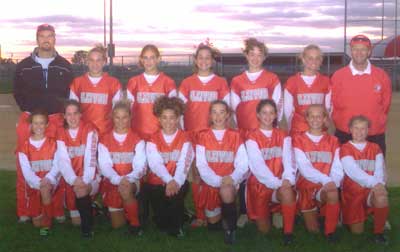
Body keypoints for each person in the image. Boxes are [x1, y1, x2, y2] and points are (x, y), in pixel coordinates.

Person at [13, 23, 73, 222]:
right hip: (30, 118)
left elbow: (68, 94)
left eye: (50, 36)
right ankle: (25, 209)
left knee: (57, 164)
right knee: (25, 165)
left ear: (55, 39)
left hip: (55, 118)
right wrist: (28, 110)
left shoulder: (64, 65)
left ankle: (56, 209)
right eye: (42, 36)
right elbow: (17, 91)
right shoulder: (23, 65)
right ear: (37, 39)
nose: (46, 40)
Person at [230, 38, 282, 227]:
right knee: (245, 172)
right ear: (246, 55)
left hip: (266, 133)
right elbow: (235, 110)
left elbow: (278, 107)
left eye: (259, 55)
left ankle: (275, 209)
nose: (255, 58)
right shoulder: (237, 81)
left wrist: (270, 129)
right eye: (251, 54)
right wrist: (242, 131)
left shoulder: (272, 78)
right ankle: (244, 210)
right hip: (245, 133)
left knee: (271, 168)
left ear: (265, 57)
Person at [178, 43, 230, 227]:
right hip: (194, 136)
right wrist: (184, 134)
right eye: (201, 57)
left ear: (212, 61)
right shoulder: (187, 83)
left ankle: (216, 209)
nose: (204, 61)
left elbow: (226, 110)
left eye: (208, 57)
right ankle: (200, 215)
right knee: (197, 175)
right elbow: (180, 111)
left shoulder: (221, 82)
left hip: (214, 136)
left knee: (215, 172)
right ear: (195, 60)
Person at [196, 100, 249, 244]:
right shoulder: (202, 135)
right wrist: (217, 181)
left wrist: (232, 178)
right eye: (214, 112)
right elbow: (201, 164)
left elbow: (243, 163)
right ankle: (225, 213)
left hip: (229, 181)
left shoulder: (235, 135)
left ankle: (230, 230)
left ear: (227, 115)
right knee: (213, 226)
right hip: (211, 182)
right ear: (209, 115)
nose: (218, 116)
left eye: (222, 112)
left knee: (226, 191)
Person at [245, 99, 296, 245]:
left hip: (280, 183)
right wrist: (278, 183)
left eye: (271, 113)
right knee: (264, 231)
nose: (268, 116)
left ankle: (288, 234)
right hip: (259, 185)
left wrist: (287, 179)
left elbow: (289, 160)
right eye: (264, 113)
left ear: (276, 115)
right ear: (258, 115)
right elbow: (258, 167)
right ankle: (271, 213)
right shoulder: (251, 136)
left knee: (287, 192)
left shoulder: (283, 135)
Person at [331, 34, 392, 155]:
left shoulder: (381, 76)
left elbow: (385, 105)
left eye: (363, 49)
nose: (359, 53)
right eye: (355, 49)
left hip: (374, 134)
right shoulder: (338, 76)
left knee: (374, 172)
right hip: (345, 134)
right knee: (342, 173)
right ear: (351, 51)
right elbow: (332, 104)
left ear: (369, 52)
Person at [293, 104, 343, 242]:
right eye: (312, 116)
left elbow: (337, 167)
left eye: (319, 116)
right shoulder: (298, 139)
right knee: (313, 231)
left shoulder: (333, 141)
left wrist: (333, 182)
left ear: (324, 119)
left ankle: (330, 233)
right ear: (307, 119)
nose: (315, 119)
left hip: (325, 187)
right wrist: (327, 180)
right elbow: (305, 168)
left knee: (333, 193)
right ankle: (319, 214)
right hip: (306, 187)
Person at [146, 96, 194, 237]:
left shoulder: (185, 138)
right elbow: (155, 164)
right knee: (161, 224)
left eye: (172, 117)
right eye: (164, 117)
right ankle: (180, 214)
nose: (168, 121)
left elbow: (184, 164)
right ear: (159, 119)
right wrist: (168, 180)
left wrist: (175, 182)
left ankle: (178, 224)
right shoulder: (152, 139)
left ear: (178, 118)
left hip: (178, 181)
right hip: (157, 182)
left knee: (173, 222)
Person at [98, 101, 146, 234]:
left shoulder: (137, 138)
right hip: (113, 181)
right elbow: (105, 166)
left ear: (130, 117)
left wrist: (127, 179)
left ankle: (135, 226)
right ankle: (126, 208)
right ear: (112, 117)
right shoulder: (104, 139)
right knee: (118, 225)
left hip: (132, 181)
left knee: (125, 190)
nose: (121, 121)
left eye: (124, 117)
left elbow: (140, 166)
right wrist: (118, 179)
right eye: (117, 117)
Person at [340, 115, 389, 244]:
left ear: (368, 131)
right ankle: (344, 213)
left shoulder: (375, 148)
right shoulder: (345, 148)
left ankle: (378, 233)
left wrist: (379, 184)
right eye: (356, 128)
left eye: (363, 129)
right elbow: (353, 172)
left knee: (382, 196)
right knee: (357, 233)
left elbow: (380, 170)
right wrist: (375, 183)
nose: (359, 132)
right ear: (350, 129)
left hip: (370, 190)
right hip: (353, 193)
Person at [55, 100, 99, 238]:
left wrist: (84, 180)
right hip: (71, 180)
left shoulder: (90, 129)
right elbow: (63, 160)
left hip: (91, 177)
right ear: (64, 116)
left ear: (80, 115)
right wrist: (74, 179)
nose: (72, 118)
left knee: (81, 192)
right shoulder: (61, 132)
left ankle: (87, 230)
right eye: (69, 114)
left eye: (75, 113)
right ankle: (93, 208)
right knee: (75, 222)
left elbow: (90, 158)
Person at [17, 111, 61, 236]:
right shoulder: (24, 147)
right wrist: (39, 183)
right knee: (36, 222)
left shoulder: (54, 143)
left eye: (42, 123)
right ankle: (46, 213)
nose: (38, 126)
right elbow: (27, 172)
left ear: (47, 125)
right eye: (35, 123)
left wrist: (48, 179)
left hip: (50, 182)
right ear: (30, 125)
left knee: (46, 189)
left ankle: (46, 225)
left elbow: (57, 166)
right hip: (34, 185)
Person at [69, 44, 122, 136]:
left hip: (106, 134)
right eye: (91, 60)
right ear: (87, 62)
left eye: (98, 60)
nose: (95, 64)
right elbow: (72, 112)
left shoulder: (114, 83)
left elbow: (117, 113)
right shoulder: (77, 83)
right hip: (83, 133)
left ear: (104, 62)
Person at [126, 44, 177, 140]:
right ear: (141, 59)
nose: (148, 61)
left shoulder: (168, 82)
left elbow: (173, 113)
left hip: (161, 134)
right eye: (145, 58)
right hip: (137, 133)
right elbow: (129, 110)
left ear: (158, 59)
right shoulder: (133, 82)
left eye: (152, 58)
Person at [284, 44, 331, 135]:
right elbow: (288, 112)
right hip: (298, 131)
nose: (314, 61)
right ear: (303, 59)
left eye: (317, 58)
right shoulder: (292, 82)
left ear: (321, 60)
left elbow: (328, 109)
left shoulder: (326, 81)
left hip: (319, 131)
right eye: (310, 58)